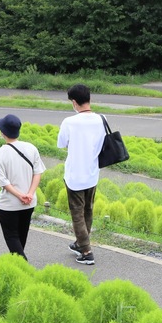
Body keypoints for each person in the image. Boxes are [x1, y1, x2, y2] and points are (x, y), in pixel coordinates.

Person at [57, 84, 106, 265]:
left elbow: (61, 143)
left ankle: (86, 251)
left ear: (74, 102)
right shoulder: (102, 119)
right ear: (89, 99)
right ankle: (80, 243)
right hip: (92, 172)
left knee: (77, 213)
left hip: (75, 174)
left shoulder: (70, 122)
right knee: (88, 210)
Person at [0, 114, 45, 261]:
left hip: (9, 204)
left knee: (12, 238)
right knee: (21, 238)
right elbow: (38, 172)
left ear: (2, 132)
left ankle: (23, 266)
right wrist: (29, 193)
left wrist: (19, 195)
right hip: (29, 203)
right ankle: (17, 266)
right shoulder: (31, 148)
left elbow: (3, 182)